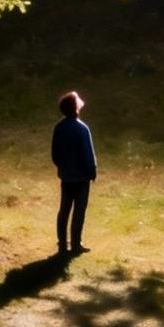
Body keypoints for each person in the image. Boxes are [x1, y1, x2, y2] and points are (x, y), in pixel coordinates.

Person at [51, 89, 97, 254]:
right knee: (79, 211)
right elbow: (87, 154)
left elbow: (55, 154)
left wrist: (63, 168)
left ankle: (62, 244)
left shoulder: (59, 128)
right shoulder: (82, 129)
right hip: (81, 178)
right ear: (75, 108)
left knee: (64, 209)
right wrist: (92, 172)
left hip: (66, 176)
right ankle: (76, 244)